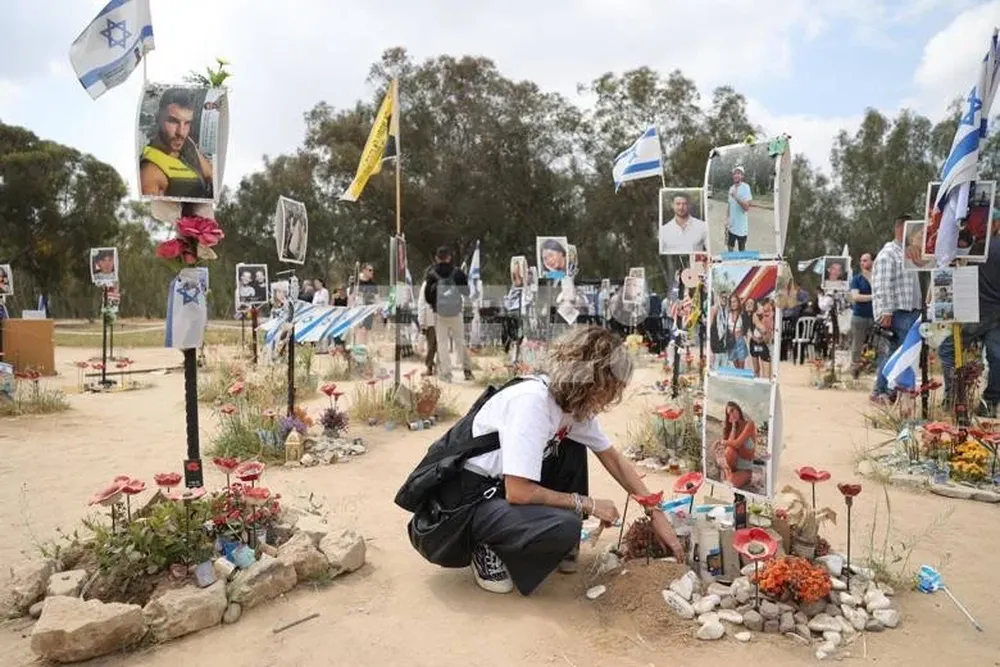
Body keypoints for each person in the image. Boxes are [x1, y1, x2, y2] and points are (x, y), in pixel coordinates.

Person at [395, 326, 685, 595]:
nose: (612, 397)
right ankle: (485, 545)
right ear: (595, 381)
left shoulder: (572, 406)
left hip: (495, 489)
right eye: (611, 387)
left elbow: (613, 458)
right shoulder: (532, 403)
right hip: (463, 505)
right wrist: (587, 504)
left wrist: (655, 513)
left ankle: (548, 542)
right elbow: (518, 492)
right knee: (565, 524)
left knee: (572, 447)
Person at [939, 217, 1000, 415]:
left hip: (974, 311)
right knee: (997, 357)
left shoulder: (977, 247)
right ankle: (990, 402)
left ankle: (954, 398)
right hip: (996, 313)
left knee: (948, 349)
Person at [871, 215, 922, 404]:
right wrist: (886, 311)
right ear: (902, 229)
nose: (917, 235)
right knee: (896, 352)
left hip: (911, 309)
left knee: (900, 352)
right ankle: (881, 391)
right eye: (914, 230)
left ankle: (889, 390)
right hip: (899, 311)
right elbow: (882, 285)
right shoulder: (889, 254)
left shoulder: (908, 253)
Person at [139, 89, 214, 199]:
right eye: (173, 121)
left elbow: (210, 175)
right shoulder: (150, 173)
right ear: (157, 118)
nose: (181, 132)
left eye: (187, 123)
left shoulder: (187, 143)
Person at [424, 247, 474, 382]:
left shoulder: (432, 274)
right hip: (456, 313)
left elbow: (427, 297)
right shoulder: (457, 273)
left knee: (442, 344)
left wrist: (435, 304)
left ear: (437, 258)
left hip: (440, 314)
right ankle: (467, 370)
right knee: (460, 342)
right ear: (449, 258)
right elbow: (467, 292)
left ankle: (446, 374)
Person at [712, 401, 757, 490]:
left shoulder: (750, 424)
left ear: (738, 409)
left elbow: (737, 443)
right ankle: (727, 470)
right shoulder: (735, 427)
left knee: (730, 483)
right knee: (729, 450)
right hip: (733, 466)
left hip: (745, 468)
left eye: (732, 410)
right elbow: (730, 444)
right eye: (729, 414)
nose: (732, 414)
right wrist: (733, 426)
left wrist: (720, 441)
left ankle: (727, 472)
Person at [849, 253, 875, 379]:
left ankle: (872, 367)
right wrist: (874, 297)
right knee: (857, 344)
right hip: (860, 316)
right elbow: (855, 296)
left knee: (877, 343)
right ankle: (855, 369)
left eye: (865, 260)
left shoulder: (878, 277)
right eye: (861, 260)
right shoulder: (857, 279)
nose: (862, 263)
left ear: (872, 262)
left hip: (875, 316)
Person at [726, 166, 753, 252]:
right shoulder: (731, 188)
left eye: (738, 173)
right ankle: (731, 260)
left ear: (742, 176)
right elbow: (729, 205)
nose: (736, 175)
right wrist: (727, 220)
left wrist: (736, 197)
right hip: (731, 227)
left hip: (742, 229)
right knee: (730, 247)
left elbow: (746, 208)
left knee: (742, 251)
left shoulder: (746, 187)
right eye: (734, 173)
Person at [417, 279, 438, 376]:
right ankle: (430, 366)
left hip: (437, 320)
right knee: (433, 345)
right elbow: (422, 304)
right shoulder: (427, 285)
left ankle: (433, 366)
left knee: (435, 345)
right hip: (433, 320)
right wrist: (422, 321)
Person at [356, 264, 378, 344]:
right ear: (364, 271)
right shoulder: (357, 282)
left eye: (372, 270)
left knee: (366, 330)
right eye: (370, 270)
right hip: (360, 308)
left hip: (369, 308)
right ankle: (359, 346)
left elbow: (376, 296)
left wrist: (376, 309)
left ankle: (364, 347)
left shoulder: (373, 283)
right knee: (361, 329)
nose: (372, 272)